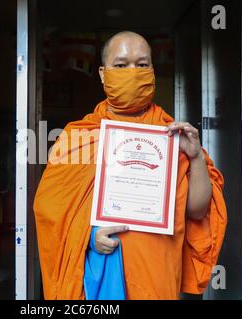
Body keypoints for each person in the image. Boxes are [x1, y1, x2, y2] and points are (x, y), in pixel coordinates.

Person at [33, 31, 227, 300]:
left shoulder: (171, 136)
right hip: (101, 278)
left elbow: (196, 210)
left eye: (142, 64)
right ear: (103, 74)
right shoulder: (76, 139)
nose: (132, 72)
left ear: (152, 72)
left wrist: (195, 157)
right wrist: (90, 238)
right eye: (121, 65)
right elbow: (51, 215)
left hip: (157, 276)